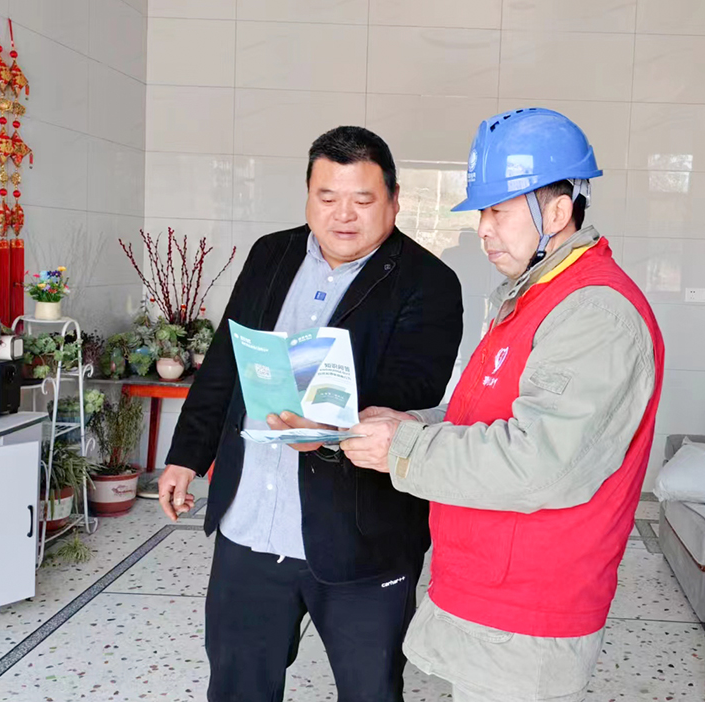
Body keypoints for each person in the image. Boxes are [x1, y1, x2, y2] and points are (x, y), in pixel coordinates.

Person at [342, 108, 666, 702]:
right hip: (490, 593)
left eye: (499, 211)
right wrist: (411, 423)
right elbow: (487, 417)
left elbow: (541, 462)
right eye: (482, 213)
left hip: (530, 610)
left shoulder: (593, 312)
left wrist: (403, 450)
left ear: (557, 213)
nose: (483, 230)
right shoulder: (534, 296)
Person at [157, 126, 464, 702]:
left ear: (394, 200)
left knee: (370, 690)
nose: (343, 215)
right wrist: (186, 457)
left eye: (363, 199)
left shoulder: (429, 282)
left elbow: (413, 385)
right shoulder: (270, 254)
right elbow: (226, 361)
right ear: (307, 196)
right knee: (238, 686)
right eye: (327, 197)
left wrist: (327, 430)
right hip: (250, 524)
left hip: (361, 535)